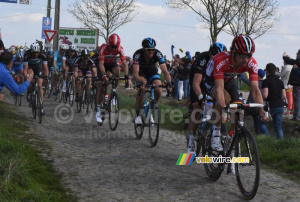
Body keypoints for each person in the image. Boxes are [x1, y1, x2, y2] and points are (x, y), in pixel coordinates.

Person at [203, 34, 267, 151]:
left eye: (249, 55)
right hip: (211, 79)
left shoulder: (250, 63)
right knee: (225, 99)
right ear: (234, 53)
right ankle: (215, 135)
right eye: (242, 56)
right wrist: (222, 109)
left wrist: (261, 109)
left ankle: (230, 142)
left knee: (238, 111)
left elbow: (255, 89)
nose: (246, 60)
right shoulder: (221, 60)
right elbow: (219, 89)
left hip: (228, 80)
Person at [186, 42, 227, 153]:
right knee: (198, 109)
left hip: (211, 83)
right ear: (210, 54)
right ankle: (190, 141)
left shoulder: (224, 61)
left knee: (218, 106)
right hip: (197, 83)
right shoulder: (202, 59)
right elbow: (196, 82)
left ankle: (214, 135)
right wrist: (200, 97)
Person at [133, 37, 172, 124]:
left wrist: (169, 83)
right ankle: (139, 115)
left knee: (158, 90)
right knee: (142, 88)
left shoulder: (158, 54)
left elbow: (165, 71)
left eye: (153, 50)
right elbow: (135, 73)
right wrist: (139, 82)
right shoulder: (137, 54)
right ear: (143, 49)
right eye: (148, 50)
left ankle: (150, 110)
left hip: (152, 72)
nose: (151, 52)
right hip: (141, 73)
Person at [96, 33, 129, 125]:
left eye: (115, 47)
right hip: (103, 64)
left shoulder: (120, 48)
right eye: (112, 46)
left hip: (111, 63)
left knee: (117, 73)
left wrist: (126, 76)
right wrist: (103, 74)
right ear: (108, 44)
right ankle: (98, 110)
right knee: (101, 85)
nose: (114, 49)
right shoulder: (103, 47)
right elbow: (101, 64)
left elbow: (124, 63)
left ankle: (113, 91)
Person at [23, 42, 48, 115]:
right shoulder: (27, 55)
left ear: (39, 51)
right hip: (30, 67)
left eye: (37, 52)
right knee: (30, 76)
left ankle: (41, 106)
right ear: (31, 51)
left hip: (38, 67)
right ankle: (29, 90)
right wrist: (27, 78)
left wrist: (45, 77)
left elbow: (45, 67)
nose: (35, 54)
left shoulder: (43, 54)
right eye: (33, 53)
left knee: (40, 85)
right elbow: (25, 69)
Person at [262, 63, 286, 139]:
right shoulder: (280, 82)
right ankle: (280, 143)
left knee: (261, 122)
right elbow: (284, 96)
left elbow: (265, 95)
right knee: (278, 126)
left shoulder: (266, 81)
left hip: (271, 106)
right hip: (280, 106)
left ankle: (267, 138)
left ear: (267, 71)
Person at [246, 69, 270, 136]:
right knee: (259, 122)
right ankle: (260, 137)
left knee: (259, 123)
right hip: (262, 106)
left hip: (254, 106)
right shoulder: (264, 84)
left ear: (257, 75)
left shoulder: (256, 84)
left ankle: (265, 136)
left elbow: (244, 78)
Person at [283, 50, 300, 121]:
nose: (296, 56)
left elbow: (290, 61)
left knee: (296, 100)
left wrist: (284, 56)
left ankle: (296, 116)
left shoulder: (298, 61)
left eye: (297, 54)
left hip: (297, 84)